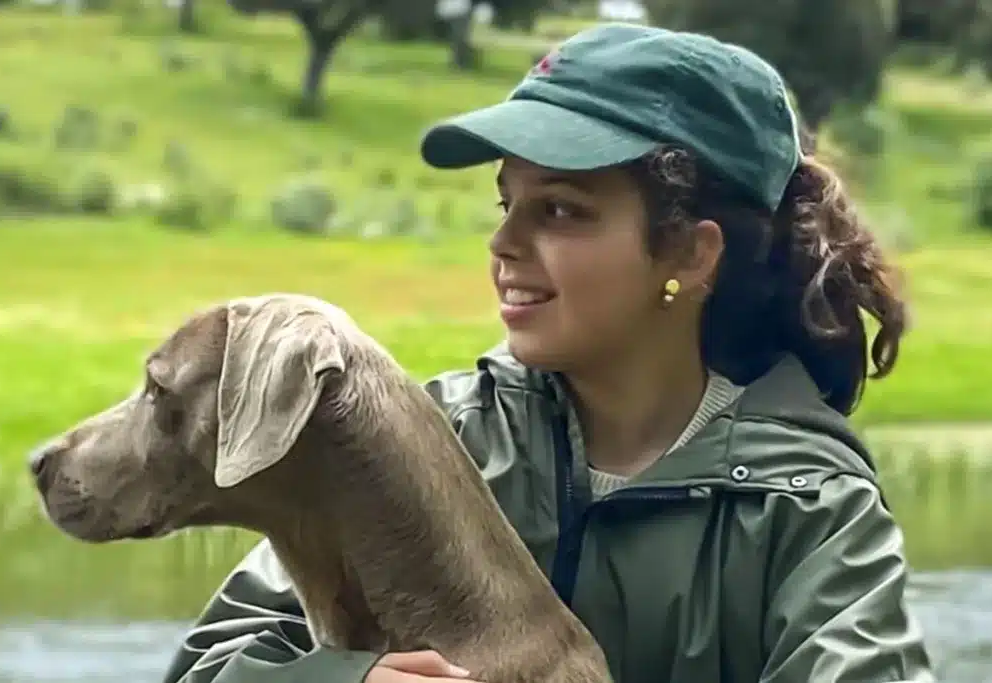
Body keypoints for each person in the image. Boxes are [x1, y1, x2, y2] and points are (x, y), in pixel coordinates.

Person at [159, 22, 936, 683]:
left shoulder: (810, 508)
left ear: (692, 256)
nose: (503, 243)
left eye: (561, 210)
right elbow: (205, 663)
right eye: (507, 204)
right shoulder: (430, 438)